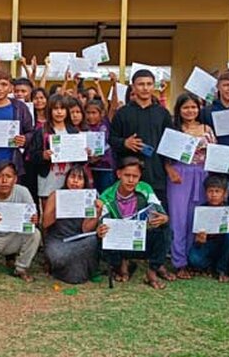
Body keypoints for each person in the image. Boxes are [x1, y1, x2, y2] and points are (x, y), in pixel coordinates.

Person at [97, 157, 172, 289]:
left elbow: (160, 211)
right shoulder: (106, 196)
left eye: (135, 176)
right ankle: (121, 264)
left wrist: (164, 218)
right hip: (121, 243)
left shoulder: (145, 189)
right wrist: (101, 229)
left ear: (140, 177)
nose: (131, 180)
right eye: (127, 175)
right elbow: (103, 223)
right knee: (101, 238)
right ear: (119, 174)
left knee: (166, 229)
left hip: (141, 240)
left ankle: (152, 270)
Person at [164, 93, 216, 279]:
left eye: (193, 107)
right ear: (179, 110)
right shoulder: (173, 129)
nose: (190, 111)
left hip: (202, 175)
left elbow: (217, 154)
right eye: (185, 107)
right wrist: (169, 169)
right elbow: (165, 156)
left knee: (196, 217)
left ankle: (194, 259)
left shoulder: (207, 129)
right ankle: (179, 263)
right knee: (178, 219)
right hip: (179, 175)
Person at [109, 69, 173, 203]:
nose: (145, 88)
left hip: (156, 173)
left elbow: (170, 144)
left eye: (149, 84)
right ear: (133, 87)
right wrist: (124, 143)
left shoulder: (163, 114)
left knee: (156, 215)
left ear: (153, 86)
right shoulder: (122, 113)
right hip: (129, 176)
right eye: (141, 84)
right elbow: (112, 139)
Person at [0, 160, 41, 282]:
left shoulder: (22, 192)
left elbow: (32, 220)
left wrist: (34, 220)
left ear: (15, 179)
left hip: (15, 236)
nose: (4, 181)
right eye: (0, 176)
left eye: (9, 176)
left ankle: (21, 268)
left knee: (35, 234)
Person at [42, 164, 102, 284]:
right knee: (58, 256)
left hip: (79, 240)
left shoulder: (89, 197)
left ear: (84, 182)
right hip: (59, 241)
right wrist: (61, 206)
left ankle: (74, 267)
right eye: (72, 177)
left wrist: (97, 213)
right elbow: (45, 224)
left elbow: (86, 229)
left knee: (93, 240)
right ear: (66, 179)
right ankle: (62, 265)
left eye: (80, 178)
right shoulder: (56, 195)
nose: (75, 181)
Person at [188, 175, 229, 282]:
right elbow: (197, 237)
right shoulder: (202, 210)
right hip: (208, 244)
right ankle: (211, 266)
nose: (214, 195)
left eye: (217, 191)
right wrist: (200, 240)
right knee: (194, 259)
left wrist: (221, 224)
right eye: (210, 191)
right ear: (205, 193)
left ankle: (221, 269)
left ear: (225, 193)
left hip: (224, 242)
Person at [28, 95, 81, 202]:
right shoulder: (42, 131)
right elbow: (32, 155)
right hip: (48, 180)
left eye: (62, 109)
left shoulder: (74, 132)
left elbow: (80, 162)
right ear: (49, 111)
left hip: (68, 179)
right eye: (55, 109)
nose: (59, 112)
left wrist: (84, 153)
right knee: (48, 212)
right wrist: (43, 155)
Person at [85, 100, 116, 194]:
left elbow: (113, 107)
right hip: (90, 168)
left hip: (105, 168)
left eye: (94, 113)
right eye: (88, 113)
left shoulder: (106, 123)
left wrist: (114, 85)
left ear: (101, 113)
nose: (91, 116)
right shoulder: (84, 127)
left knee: (106, 196)